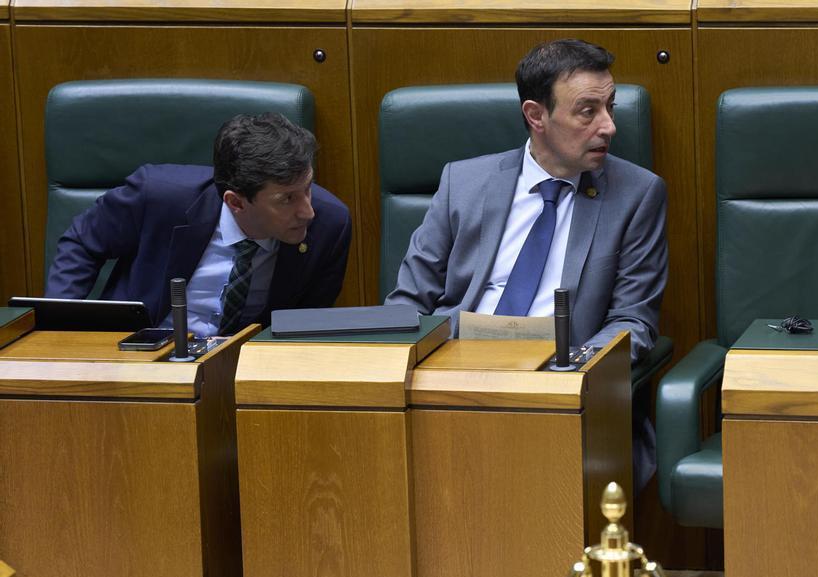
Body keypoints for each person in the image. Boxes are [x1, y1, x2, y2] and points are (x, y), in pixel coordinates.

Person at [386, 39, 668, 491]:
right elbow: (407, 303)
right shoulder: (463, 181)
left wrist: (575, 371)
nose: (609, 127)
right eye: (587, 111)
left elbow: (632, 321)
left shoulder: (637, 194)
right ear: (536, 116)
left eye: (610, 107)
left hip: (560, 386)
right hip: (453, 378)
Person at [47, 112, 352, 336]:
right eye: (287, 199)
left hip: (241, 373)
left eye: (308, 187)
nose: (307, 211)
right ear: (236, 202)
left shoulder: (330, 225)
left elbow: (304, 328)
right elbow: (82, 243)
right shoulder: (157, 194)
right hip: (141, 356)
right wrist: (60, 331)